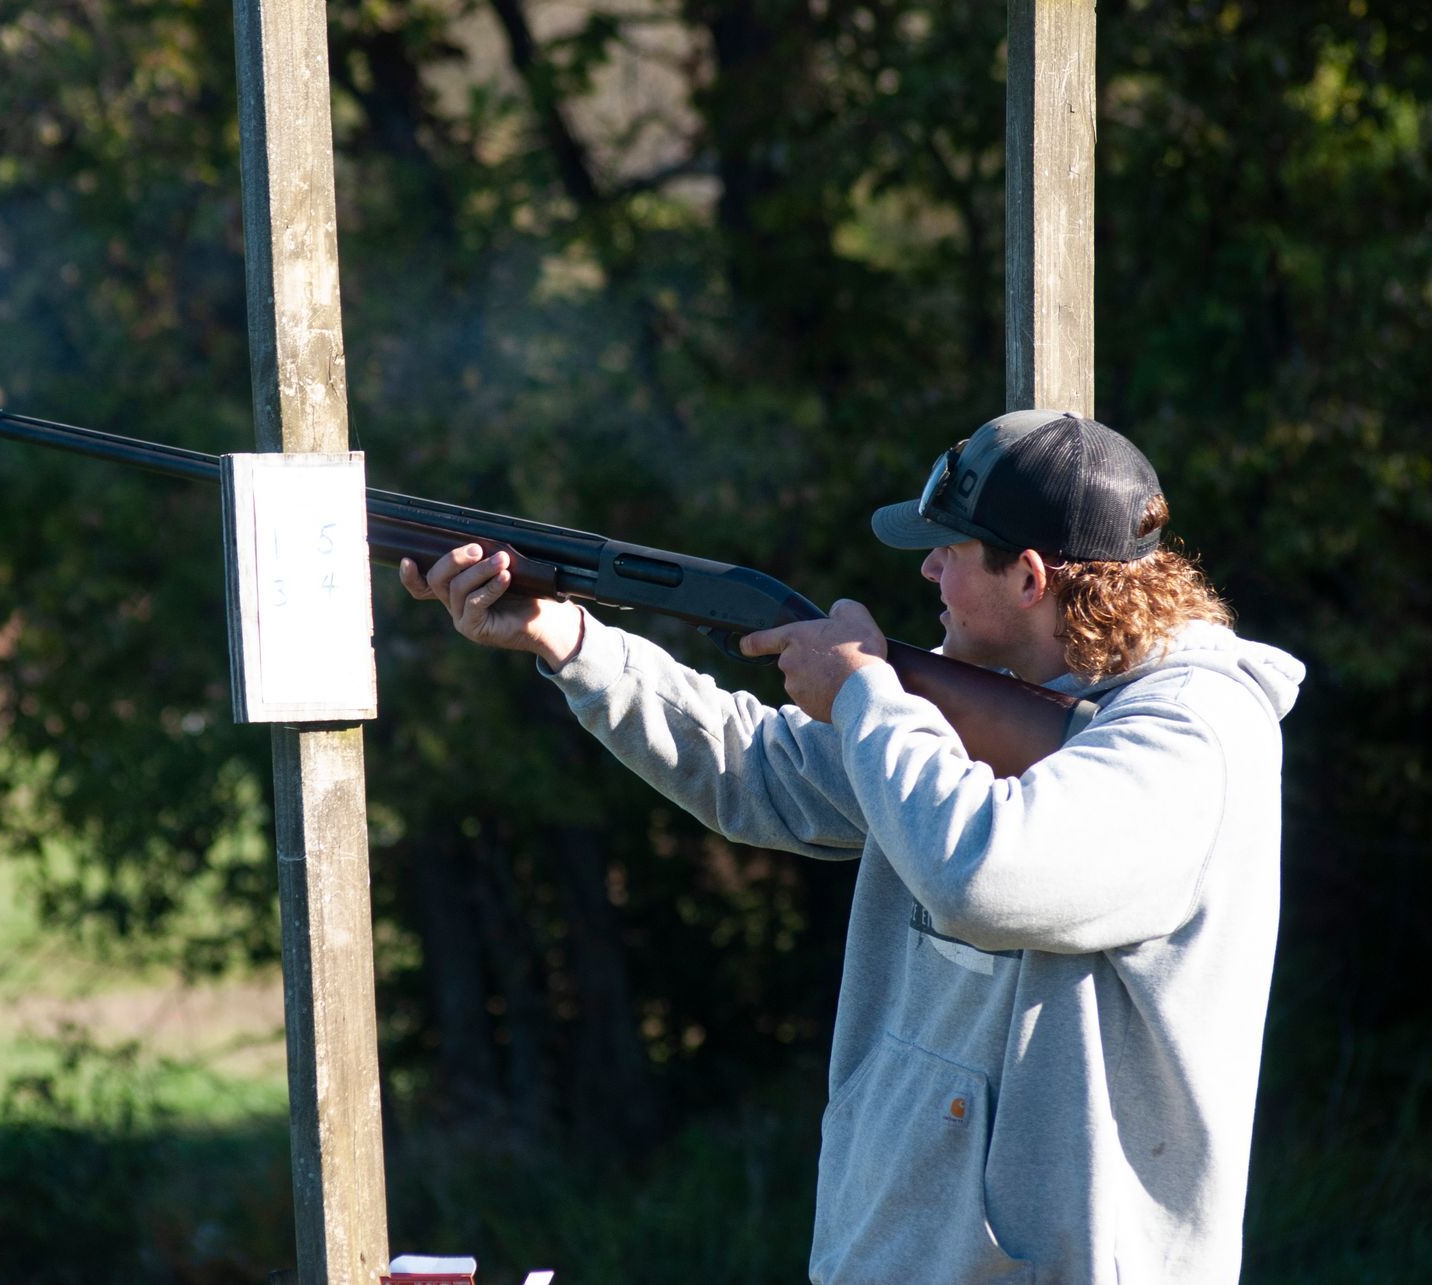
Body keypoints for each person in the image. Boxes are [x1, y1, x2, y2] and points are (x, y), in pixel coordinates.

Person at [399, 410, 1303, 1284]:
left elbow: (982, 872)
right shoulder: (991, 702)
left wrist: (868, 694)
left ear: (1029, 577)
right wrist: (570, 642)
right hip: (911, 1248)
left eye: (946, 551)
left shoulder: (1192, 733)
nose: (929, 574)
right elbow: (766, 775)